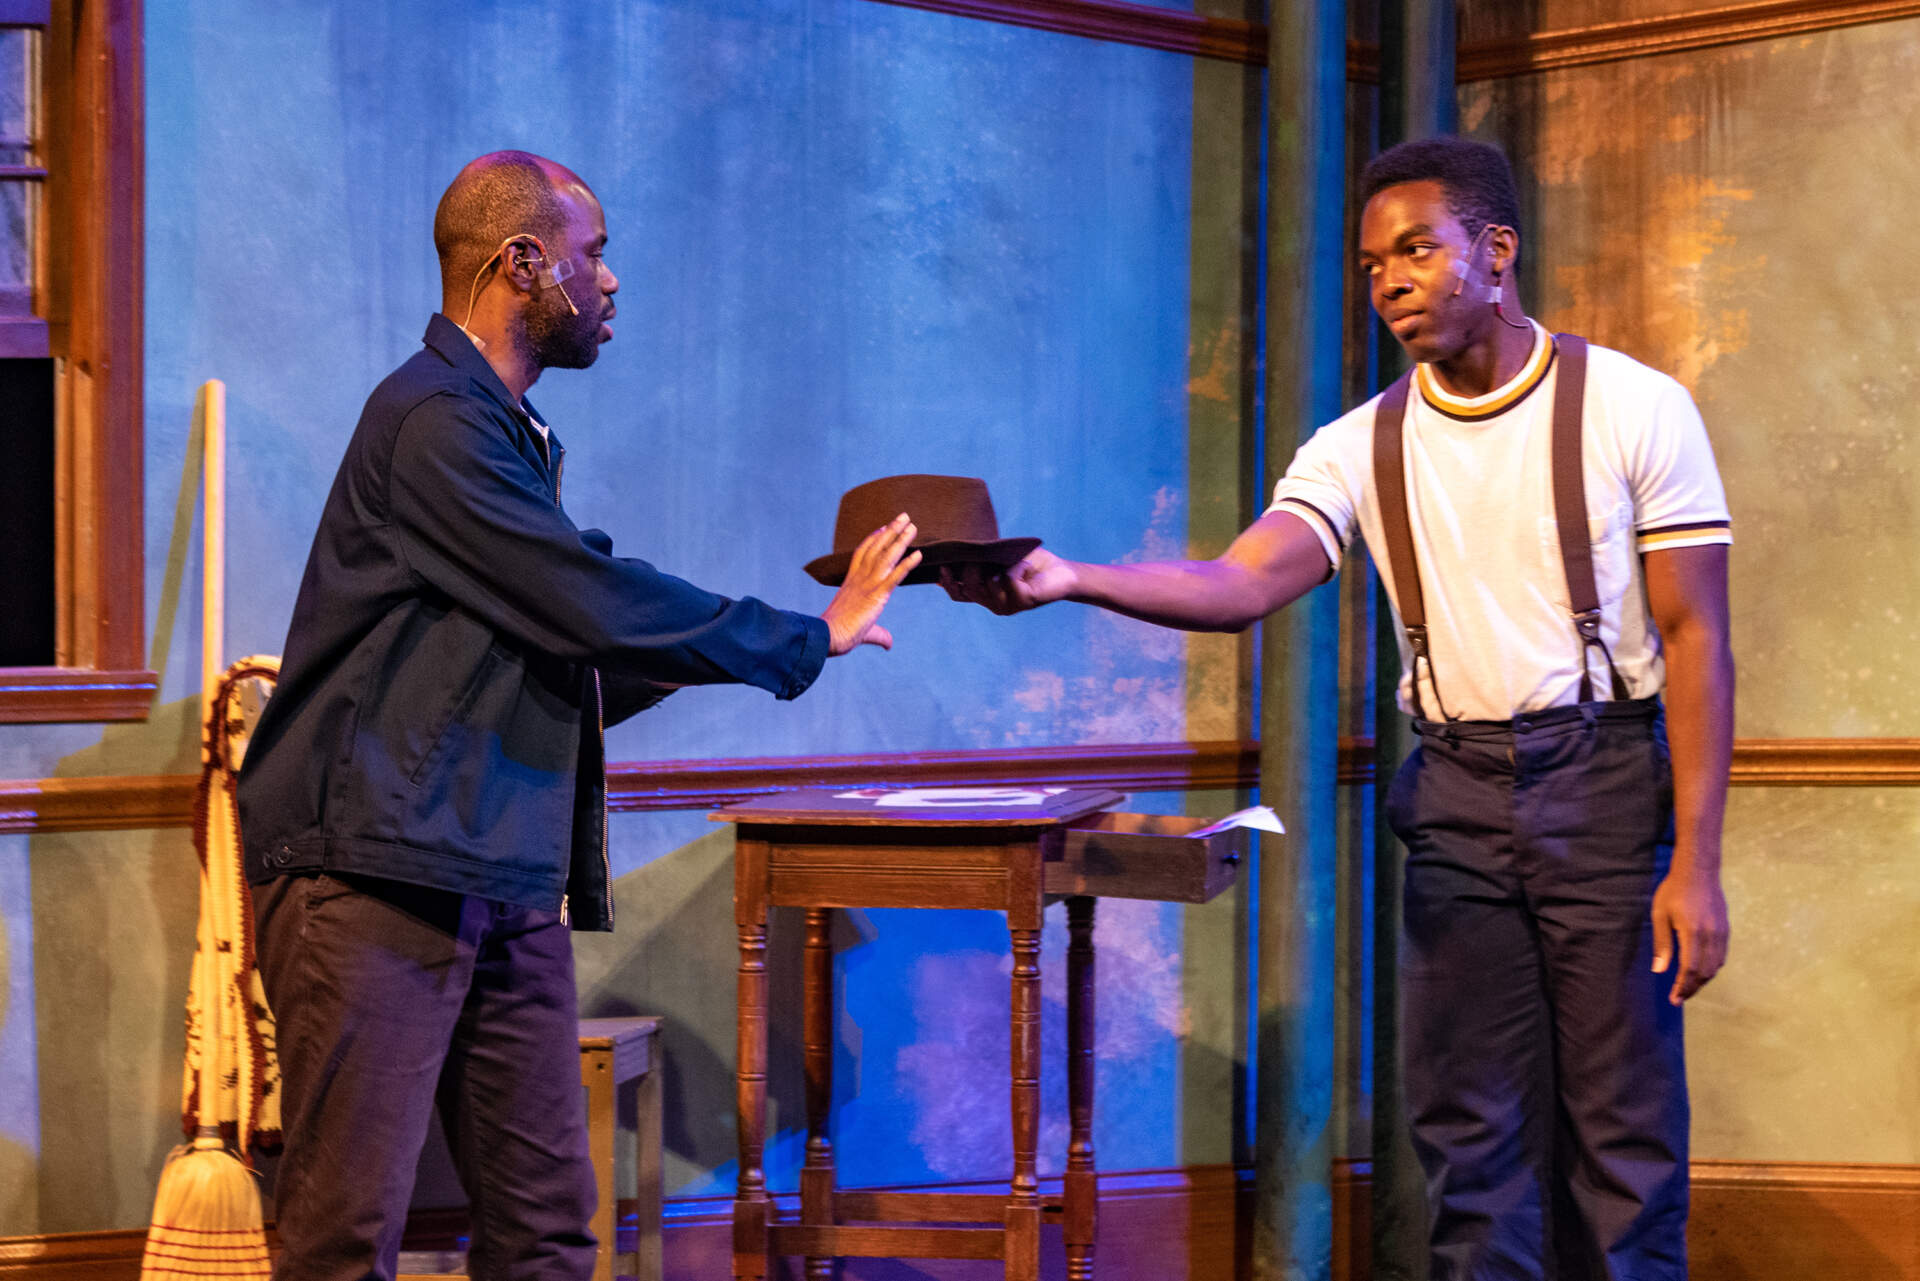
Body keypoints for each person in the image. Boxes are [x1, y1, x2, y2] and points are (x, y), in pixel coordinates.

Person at [944, 136, 1732, 1280]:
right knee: (1472, 1138)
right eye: (1372, 265)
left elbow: (1700, 639)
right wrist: (1076, 576)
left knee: (1622, 1136)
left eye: (1418, 250)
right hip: (1457, 792)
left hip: (1602, 785)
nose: (1391, 281)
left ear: (1496, 251)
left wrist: (1696, 864)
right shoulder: (1361, 444)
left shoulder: (1632, 408)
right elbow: (1243, 581)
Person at [236, 150, 920, 1281]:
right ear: (524, 262)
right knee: (342, 1239)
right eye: (593, 254)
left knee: (548, 1232)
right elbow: (588, 601)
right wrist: (806, 635)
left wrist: (761, 644)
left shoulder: (502, 436)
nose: (610, 282)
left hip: (495, 876)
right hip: (374, 879)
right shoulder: (431, 423)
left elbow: (573, 645)